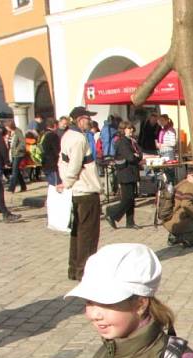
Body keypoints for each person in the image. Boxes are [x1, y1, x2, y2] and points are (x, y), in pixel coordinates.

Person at [57, 106, 101, 281]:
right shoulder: (78, 139)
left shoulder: (68, 136)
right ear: (80, 119)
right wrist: (67, 183)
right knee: (88, 234)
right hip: (85, 189)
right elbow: (74, 165)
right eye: (87, 119)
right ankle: (84, 270)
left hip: (78, 190)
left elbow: (62, 162)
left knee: (77, 232)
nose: (89, 122)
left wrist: (66, 182)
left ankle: (74, 267)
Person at [106, 121, 143, 230]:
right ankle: (111, 212)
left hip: (131, 172)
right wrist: (136, 157)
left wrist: (137, 156)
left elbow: (139, 153)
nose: (131, 130)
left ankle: (130, 222)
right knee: (127, 199)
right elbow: (130, 157)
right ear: (123, 130)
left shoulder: (132, 141)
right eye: (128, 128)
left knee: (131, 199)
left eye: (131, 128)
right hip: (125, 172)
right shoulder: (122, 142)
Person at [160, 171, 193, 247]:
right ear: (191, 175)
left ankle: (176, 235)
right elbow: (186, 204)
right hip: (178, 221)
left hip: (170, 221)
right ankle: (181, 238)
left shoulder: (182, 183)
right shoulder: (191, 186)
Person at [6, 121, 28, 194]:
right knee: (17, 171)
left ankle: (11, 188)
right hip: (12, 154)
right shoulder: (10, 133)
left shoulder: (18, 132)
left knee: (14, 171)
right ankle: (23, 186)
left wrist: (17, 149)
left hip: (18, 154)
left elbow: (22, 143)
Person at [39, 117, 61, 186]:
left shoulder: (42, 134)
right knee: (56, 185)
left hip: (44, 162)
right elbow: (57, 150)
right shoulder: (53, 135)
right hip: (52, 163)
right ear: (55, 125)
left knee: (50, 184)